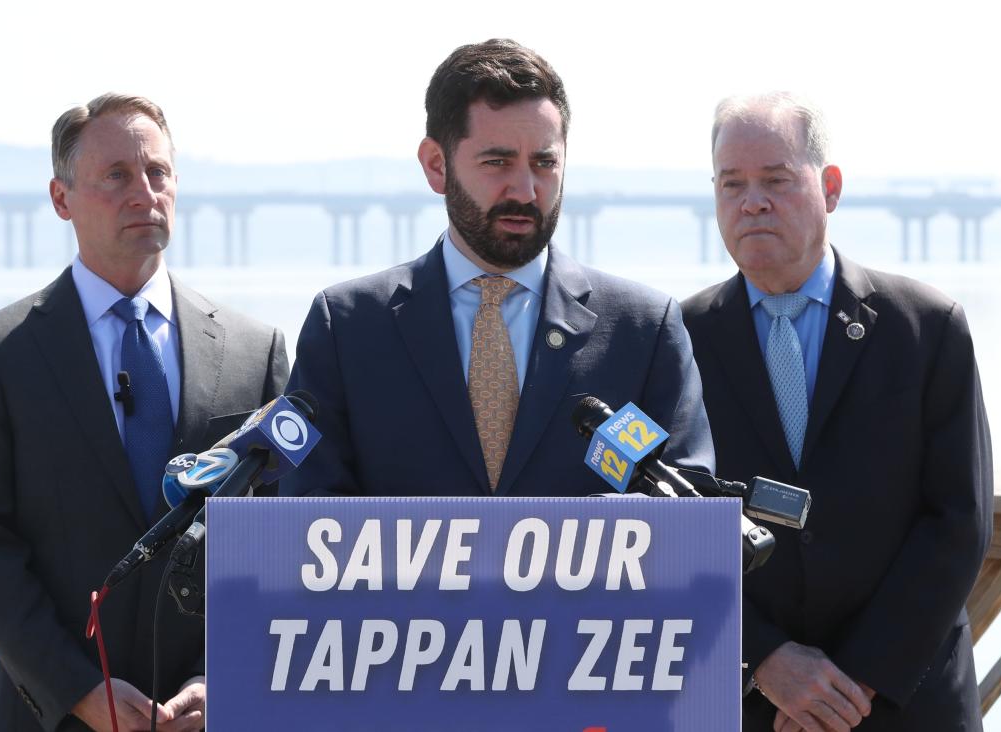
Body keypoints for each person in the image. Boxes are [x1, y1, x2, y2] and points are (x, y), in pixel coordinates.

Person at [0, 93, 288, 731]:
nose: (144, 193)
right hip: (50, 713)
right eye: (117, 176)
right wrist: (77, 688)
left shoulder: (254, 350)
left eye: (157, 173)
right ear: (60, 198)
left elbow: (276, 539)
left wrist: (222, 675)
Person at [681, 92, 992, 731]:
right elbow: (664, 527)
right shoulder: (676, 339)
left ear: (830, 186)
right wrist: (763, 657)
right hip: (745, 704)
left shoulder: (927, 328)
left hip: (903, 699)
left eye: (776, 179)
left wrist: (850, 684)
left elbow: (958, 521)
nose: (752, 201)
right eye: (731, 183)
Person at [281, 39, 713, 498]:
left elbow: (689, 516)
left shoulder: (644, 329)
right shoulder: (348, 327)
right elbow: (304, 515)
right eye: (498, 162)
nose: (525, 190)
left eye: (544, 163)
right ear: (436, 165)